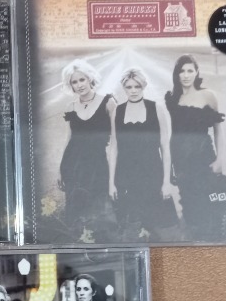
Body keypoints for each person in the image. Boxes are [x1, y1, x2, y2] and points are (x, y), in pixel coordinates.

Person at [164, 54, 226, 236]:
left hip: (203, 156)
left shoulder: (208, 95)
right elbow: (174, 133)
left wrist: (219, 159)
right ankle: (199, 240)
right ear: (177, 74)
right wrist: (171, 164)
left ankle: (219, 238)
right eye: (182, 71)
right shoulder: (172, 99)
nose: (186, 75)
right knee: (190, 203)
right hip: (181, 161)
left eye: (190, 71)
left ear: (197, 72)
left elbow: (218, 130)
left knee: (212, 200)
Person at [108, 68, 177, 237]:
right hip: (126, 178)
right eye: (129, 87)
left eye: (137, 86)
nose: (133, 91)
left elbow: (165, 148)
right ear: (124, 88)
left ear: (143, 86)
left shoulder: (156, 108)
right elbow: (114, 148)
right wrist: (111, 182)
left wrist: (166, 182)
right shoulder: (118, 111)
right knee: (130, 228)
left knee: (159, 229)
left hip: (152, 176)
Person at [58, 59, 116, 229]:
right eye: (74, 82)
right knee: (75, 214)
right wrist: (60, 169)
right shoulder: (71, 106)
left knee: (99, 213)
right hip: (72, 165)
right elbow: (69, 138)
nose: (79, 85)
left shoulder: (108, 102)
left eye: (82, 79)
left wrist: (114, 167)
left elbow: (116, 139)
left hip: (97, 164)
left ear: (90, 78)